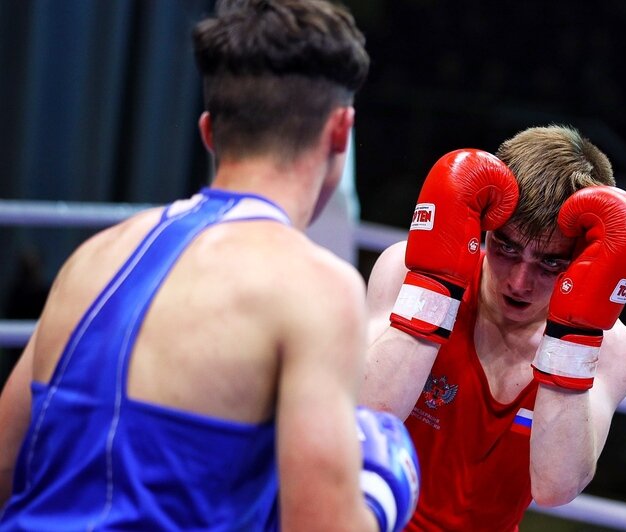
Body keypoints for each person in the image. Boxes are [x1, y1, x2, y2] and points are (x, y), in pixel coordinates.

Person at [0, 1, 419, 530]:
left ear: (208, 132)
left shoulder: (94, 256)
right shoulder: (315, 286)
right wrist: (382, 487)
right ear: (341, 132)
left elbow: (4, 464)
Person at [360, 125, 626, 531]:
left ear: (586, 258)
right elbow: (365, 417)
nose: (519, 281)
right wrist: (436, 294)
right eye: (505, 247)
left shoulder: (612, 349)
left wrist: (572, 339)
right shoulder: (406, 273)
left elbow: (555, 488)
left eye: (551, 263)